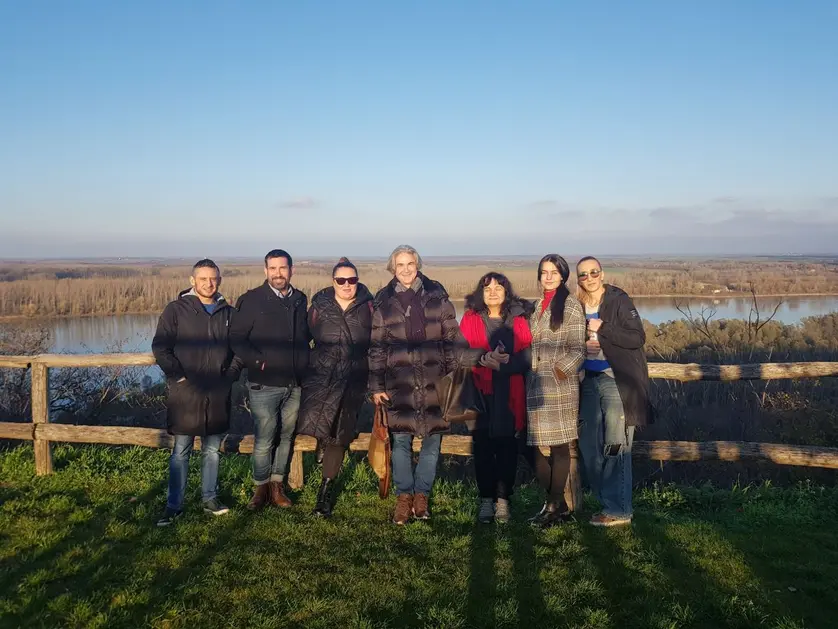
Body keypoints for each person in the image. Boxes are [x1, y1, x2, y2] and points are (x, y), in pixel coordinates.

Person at [369, 245, 465, 525]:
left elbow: (452, 342)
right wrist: (376, 386)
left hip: (435, 383)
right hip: (399, 383)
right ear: (393, 268)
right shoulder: (384, 302)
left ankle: (421, 496)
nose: (406, 269)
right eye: (400, 265)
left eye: (410, 263)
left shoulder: (437, 297)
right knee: (400, 441)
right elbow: (377, 349)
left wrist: (454, 380)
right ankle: (404, 497)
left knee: (432, 442)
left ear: (418, 265)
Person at [152, 259, 242, 526]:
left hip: (217, 393)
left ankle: (210, 499)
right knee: (181, 451)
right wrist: (178, 376)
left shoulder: (229, 313)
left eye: (213, 279)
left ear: (219, 280)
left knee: (212, 450)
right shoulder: (176, 310)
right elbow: (161, 347)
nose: (208, 284)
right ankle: (174, 505)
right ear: (192, 281)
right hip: (185, 394)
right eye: (203, 279)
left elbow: (240, 350)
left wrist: (229, 377)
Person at [230, 249, 310, 510]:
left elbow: (305, 335)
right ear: (265, 271)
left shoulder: (299, 299)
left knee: (286, 435)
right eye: (273, 268)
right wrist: (257, 361)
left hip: (294, 383)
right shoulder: (251, 300)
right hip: (263, 383)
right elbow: (236, 338)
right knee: (265, 438)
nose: (278, 273)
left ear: (291, 270)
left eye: (283, 268)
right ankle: (260, 487)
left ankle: (277, 485)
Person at [576, 256, 651, 527]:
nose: (589, 278)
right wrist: (583, 346)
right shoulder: (577, 305)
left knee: (616, 445)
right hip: (588, 380)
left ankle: (619, 510)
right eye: (583, 274)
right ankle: (608, 502)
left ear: (602, 274)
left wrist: (603, 329)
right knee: (588, 446)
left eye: (593, 272)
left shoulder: (618, 299)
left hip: (616, 380)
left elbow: (637, 337)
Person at [296, 258, 374, 517]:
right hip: (321, 376)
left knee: (340, 434)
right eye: (341, 280)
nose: (347, 284)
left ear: (358, 281)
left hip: (353, 378)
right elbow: (303, 338)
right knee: (316, 421)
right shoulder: (319, 306)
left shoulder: (369, 307)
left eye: (352, 280)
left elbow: (377, 345)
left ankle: (324, 493)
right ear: (333, 282)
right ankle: (321, 438)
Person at [460, 272, 533, 523]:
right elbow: (458, 354)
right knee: (482, 447)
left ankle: (503, 501)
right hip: (478, 392)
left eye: (498, 288)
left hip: (509, 393)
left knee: (506, 447)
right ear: (480, 293)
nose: (493, 292)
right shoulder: (470, 318)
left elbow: (528, 356)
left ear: (506, 292)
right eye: (487, 288)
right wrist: (483, 358)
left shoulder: (519, 319)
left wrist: (504, 364)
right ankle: (485, 500)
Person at [525, 254, 586, 528]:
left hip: (560, 386)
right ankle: (558, 503)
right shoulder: (537, 306)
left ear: (563, 276)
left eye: (554, 272)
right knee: (530, 446)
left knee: (560, 446)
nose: (548, 277)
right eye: (544, 272)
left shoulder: (571, 306)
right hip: (536, 385)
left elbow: (578, 349)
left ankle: (552, 506)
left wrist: (559, 371)